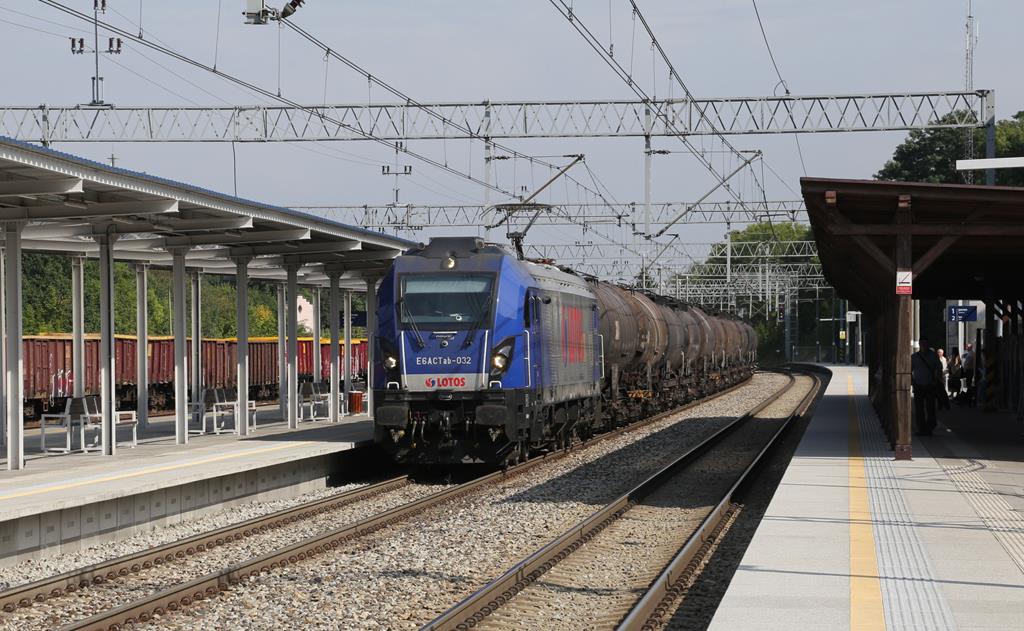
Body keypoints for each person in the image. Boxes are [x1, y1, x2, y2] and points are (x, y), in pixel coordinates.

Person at [911, 337, 943, 435]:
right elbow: (909, 370)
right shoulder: (914, 357)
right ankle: (921, 428)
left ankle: (930, 428)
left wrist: (936, 381)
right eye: (922, 344)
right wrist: (913, 382)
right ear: (920, 344)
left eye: (925, 344)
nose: (924, 346)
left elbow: (939, 368)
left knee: (930, 407)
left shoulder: (933, 356)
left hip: (930, 385)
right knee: (919, 408)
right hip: (918, 385)